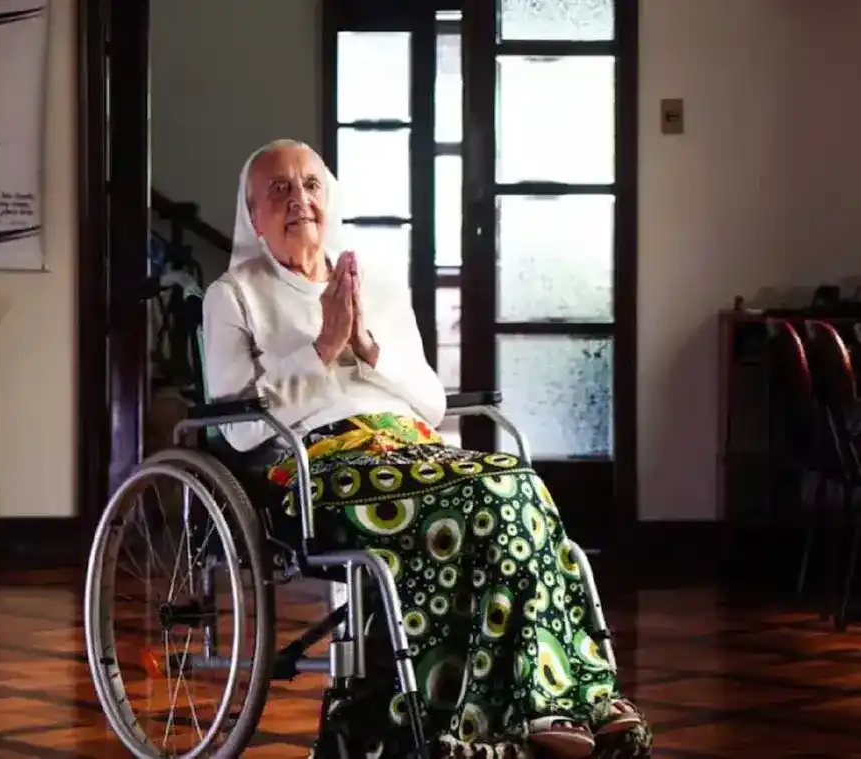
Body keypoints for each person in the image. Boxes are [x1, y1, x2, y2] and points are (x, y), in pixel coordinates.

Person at [202, 139, 651, 759]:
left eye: (310, 185)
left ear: (328, 198)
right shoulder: (233, 296)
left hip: (411, 449)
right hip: (319, 467)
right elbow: (239, 426)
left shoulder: (375, 283)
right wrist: (322, 348)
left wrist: (366, 343)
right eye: (279, 189)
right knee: (490, 490)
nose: (299, 199)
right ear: (253, 215)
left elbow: (431, 403)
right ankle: (557, 704)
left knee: (514, 483)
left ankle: (558, 708)